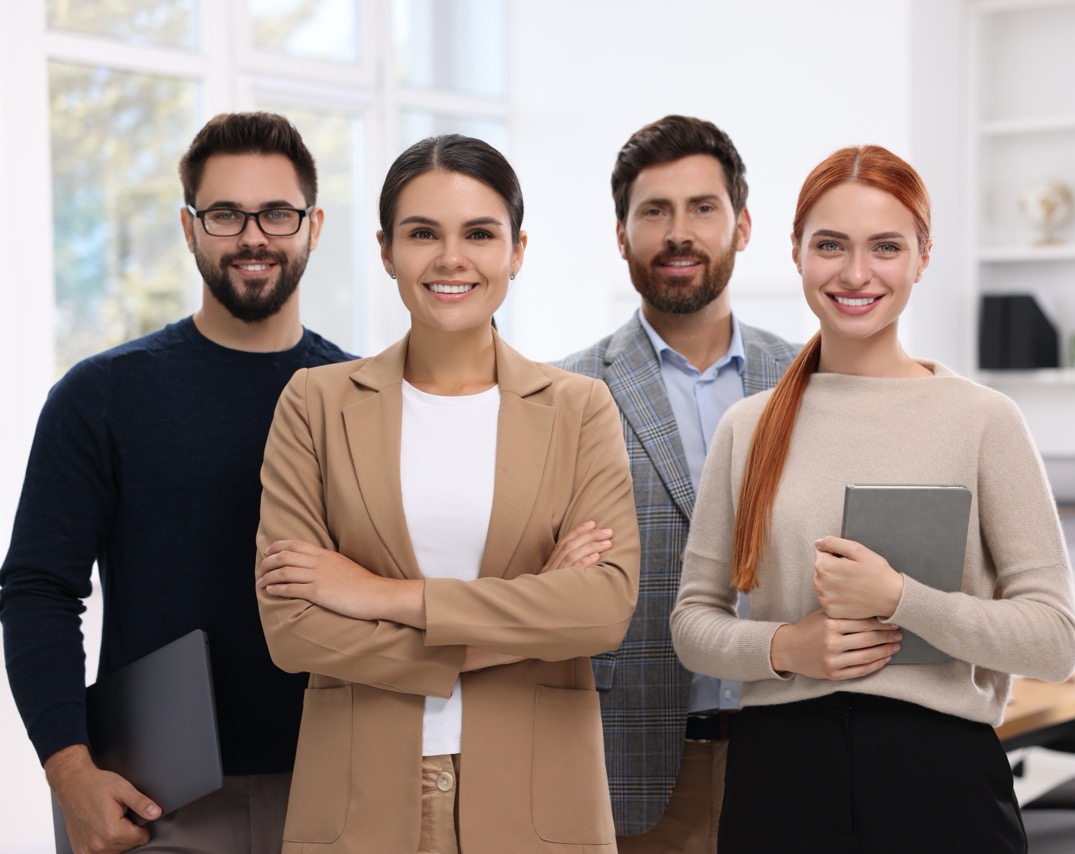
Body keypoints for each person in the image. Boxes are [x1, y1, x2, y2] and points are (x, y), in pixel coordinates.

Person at [670, 144, 1075, 852]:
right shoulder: (750, 426)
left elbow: (1054, 642)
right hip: (778, 780)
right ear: (795, 251)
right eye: (830, 245)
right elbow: (692, 624)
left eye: (885, 247)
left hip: (940, 780)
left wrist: (899, 598)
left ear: (923, 256)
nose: (856, 273)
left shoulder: (983, 421)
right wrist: (786, 646)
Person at [253, 133, 641, 853]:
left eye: (479, 233)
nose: (450, 258)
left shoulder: (580, 408)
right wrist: (522, 618)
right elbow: (293, 627)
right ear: (386, 250)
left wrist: (382, 596)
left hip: (538, 803)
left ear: (517, 250)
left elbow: (601, 609)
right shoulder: (315, 402)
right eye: (423, 233)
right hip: (360, 804)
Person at [0, 111, 352, 852]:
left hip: (338, 788)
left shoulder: (362, 396)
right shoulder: (100, 395)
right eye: (225, 214)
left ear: (313, 226)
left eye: (277, 214)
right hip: (157, 802)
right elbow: (36, 589)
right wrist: (69, 773)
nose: (253, 237)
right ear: (189, 228)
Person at [556, 115, 799, 852]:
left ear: (743, 224)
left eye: (703, 208)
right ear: (622, 234)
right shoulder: (565, 393)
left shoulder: (807, 382)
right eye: (654, 211)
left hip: (791, 747)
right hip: (635, 766)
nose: (678, 233)